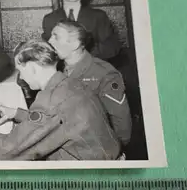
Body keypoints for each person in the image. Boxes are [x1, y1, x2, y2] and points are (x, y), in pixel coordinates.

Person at [0, 39, 122, 161]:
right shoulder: (70, 82)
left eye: (20, 70)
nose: (21, 77)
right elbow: (59, 121)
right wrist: (16, 113)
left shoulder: (50, 99)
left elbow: (7, 151)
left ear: (32, 67)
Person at [48, 21, 132, 149]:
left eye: (56, 37)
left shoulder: (104, 73)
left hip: (95, 147)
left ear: (75, 44)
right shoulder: (56, 68)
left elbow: (121, 121)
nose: (49, 41)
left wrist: (117, 151)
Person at [41, 0, 121, 61]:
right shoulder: (49, 19)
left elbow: (112, 47)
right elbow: (47, 50)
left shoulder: (98, 16)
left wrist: (81, 54)